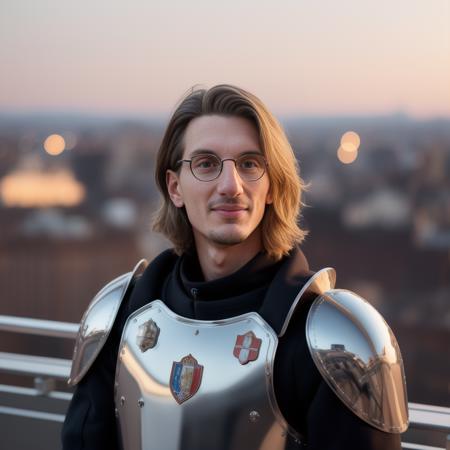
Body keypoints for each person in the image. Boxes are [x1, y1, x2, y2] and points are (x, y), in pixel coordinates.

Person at [62, 84, 408, 450]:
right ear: (175, 187)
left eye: (249, 164)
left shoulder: (334, 339)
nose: (231, 186)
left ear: (272, 186)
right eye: (207, 164)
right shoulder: (118, 317)